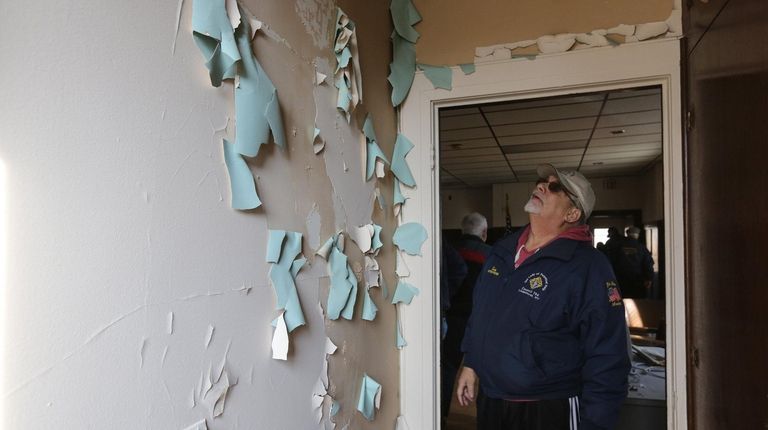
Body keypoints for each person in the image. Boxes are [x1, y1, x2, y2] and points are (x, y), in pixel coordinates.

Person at [456, 164, 630, 430]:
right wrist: (471, 363)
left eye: (555, 187)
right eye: (541, 182)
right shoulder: (502, 250)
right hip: (492, 399)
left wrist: (596, 424)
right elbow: (482, 311)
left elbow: (608, 355)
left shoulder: (588, 267)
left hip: (546, 406)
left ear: (572, 213)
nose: (541, 187)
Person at [441, 213, 492, 425]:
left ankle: (441, 416)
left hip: (452, 318)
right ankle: (486, 419)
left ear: (463, 230)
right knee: (485, 370)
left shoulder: (448, 249)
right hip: (481, 322)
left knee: (447, 368)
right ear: (484, 233)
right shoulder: (493, 255)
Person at [610, 226, 654, 299]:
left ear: (627, 234)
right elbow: (648, 263)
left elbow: (611, 261)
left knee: (622, 301)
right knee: (638, 302)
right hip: (637, 281)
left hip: (621, 280)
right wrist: (649, 278)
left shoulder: (617, 247)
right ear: (637, 235)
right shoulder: (641, 248)